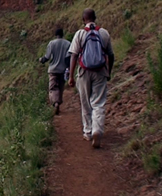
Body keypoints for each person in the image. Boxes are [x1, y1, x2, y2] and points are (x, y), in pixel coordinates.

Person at [68, 8, 114, 148]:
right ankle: (97, 130)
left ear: (83, 20)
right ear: (95, 18)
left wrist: (71, 76)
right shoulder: (104, 33)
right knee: (98, 102)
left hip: (84, 72)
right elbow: (111, 55)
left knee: (85, 102)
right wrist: (108, 72)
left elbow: (74, 55)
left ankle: (88, 132)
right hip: (100, 72)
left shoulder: (80, 34)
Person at [39, 28, 71, 115]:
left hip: (53, 69)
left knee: (53, 88)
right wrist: (69, 69)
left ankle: (55, 103)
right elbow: (68, 58)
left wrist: (42, 60)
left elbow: (47, 57)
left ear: (56, 35)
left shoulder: (52, 43)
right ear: (63, 34)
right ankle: (59, 103)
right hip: (63, 69)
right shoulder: (68, 43)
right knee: (60, 87)